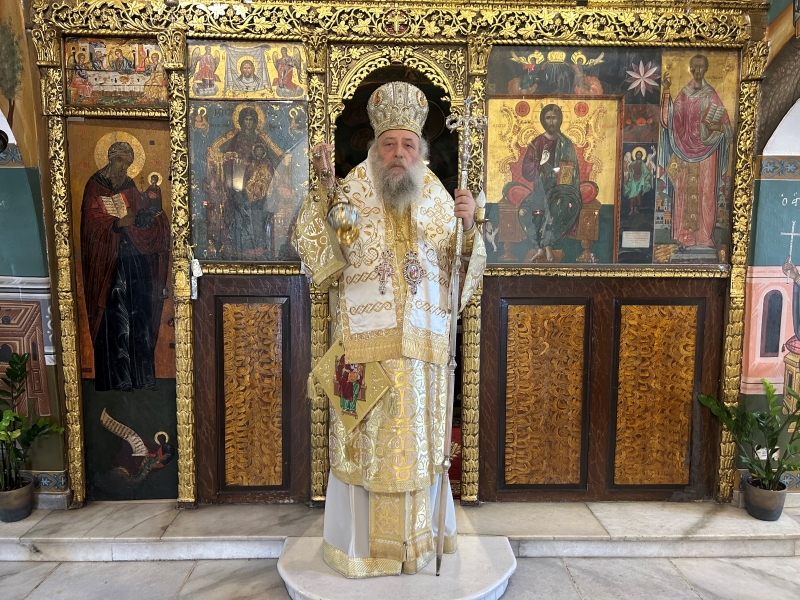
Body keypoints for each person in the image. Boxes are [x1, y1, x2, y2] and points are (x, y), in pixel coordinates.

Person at [293, 81, 486, 577]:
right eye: (389, 144)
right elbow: (328, 253)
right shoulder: (353, 190)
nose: (398, 153)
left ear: (420, 151)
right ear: (375, 149)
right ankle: (361, 551)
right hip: (365, 351)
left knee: (418, 452)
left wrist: (470, 229)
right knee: (366, 454)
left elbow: (463, 272)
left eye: (407, 144)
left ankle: (418, 547)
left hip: (423, 357)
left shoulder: (440, 197)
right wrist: (326, 192)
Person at [80, 141, 170, 392]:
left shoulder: (129, 184)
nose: (124, 167)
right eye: (120, 161)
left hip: (134, 260)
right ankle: (119, 379)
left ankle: (142, 377)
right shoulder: (94, 184)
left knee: (140, 314)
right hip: (108, 263)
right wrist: (115, 223)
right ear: (110, 159)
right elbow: (90, 223)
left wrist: (148, 214)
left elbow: (140, 214)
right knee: (115, 318)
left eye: (128, 163)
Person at [660, 54, 732, 249]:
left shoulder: (712, 94)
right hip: (684, 151)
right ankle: (685, 236)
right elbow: (669, 121)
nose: (698, 70)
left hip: (707, 153)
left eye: (701, 67)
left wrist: (718, 127)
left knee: (706, 193)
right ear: (690, 69)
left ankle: (704, 237)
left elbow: (727, 127)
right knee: (684, 192)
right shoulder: (683, 94)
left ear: (706, 69)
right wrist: (666, 90)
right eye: (695, 67)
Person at [204, 105, 284, 258]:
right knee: (239, 213)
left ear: (255, 122)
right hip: (238, 183)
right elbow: (222, 154)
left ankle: (258, 246)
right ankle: (240, 246)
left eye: (251, 120)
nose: (248, 123)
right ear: (241, 121)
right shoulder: (235, 139)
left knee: (257, 215)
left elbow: (273, 158)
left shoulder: (260, 139)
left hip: (257, 188)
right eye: (246, 119)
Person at [518, 103, 582, 262]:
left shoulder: (566, 143)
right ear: (542, 120)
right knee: (524, 211)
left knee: (553, 209)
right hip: (541, 190)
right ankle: (540, 247)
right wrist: (539, 164)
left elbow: (571, 170)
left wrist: (560, 178)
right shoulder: (537, 143)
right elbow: (526, 170)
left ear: (560, 120)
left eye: (554, 118)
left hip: (563, 191)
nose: (551, 122)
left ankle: (546, 247)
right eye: (548, 118)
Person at [623, 148, 653, 215]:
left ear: (641, 156)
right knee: (632, 195)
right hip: (633, 180)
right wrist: (630, 178)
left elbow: (646, 171)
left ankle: (636, 209)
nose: (638, 156)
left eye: (639, 155)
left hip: (640, 180)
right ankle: (631, 209)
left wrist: (649, 174)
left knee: (638, 195)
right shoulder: (632, 164)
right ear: (635, 156)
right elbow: (630, 172)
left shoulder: (643, 164)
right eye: (637, 155)